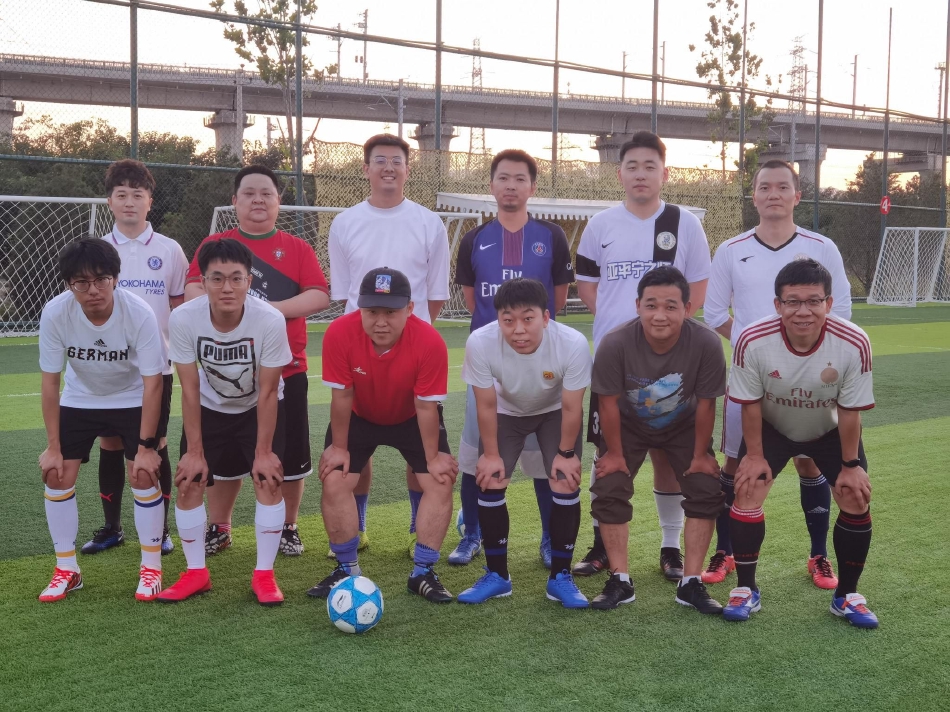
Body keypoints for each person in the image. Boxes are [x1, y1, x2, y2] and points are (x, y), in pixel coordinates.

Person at [702, 159, 853, 588]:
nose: (773, 194)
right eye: (764, 187)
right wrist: (757, 350)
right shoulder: (731, 249)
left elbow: (841, 310)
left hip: (809, 379)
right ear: (753, 196)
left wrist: (802, 352)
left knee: (809, 461)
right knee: (737, 462)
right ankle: (726, 551)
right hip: (751, 379)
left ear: (797, 196)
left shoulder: (822, 247)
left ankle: (819, 555)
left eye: (782, 187)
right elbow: (714, 313)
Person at [574, 131, 711, 581]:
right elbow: (588, 286)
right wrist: (621, 328)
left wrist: (667, 329)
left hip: (672, 363)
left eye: (649, 166)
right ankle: (600, 545)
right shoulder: (601, 225)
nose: (640, 174)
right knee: (607, 454)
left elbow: (697, 287)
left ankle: (670, 547)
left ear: (664, 174)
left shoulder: (684, 223)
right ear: (619, 174)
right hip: (616, 363)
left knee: (667, 457)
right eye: (632, 166)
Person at [722, 259, 878, 628]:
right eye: (792, 301)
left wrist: (851, 466)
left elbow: (850, 411)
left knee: (854, 495)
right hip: (773, 428)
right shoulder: (752, 339)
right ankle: (746, 590)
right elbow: (749, 403)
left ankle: (846, 596)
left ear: (829, 303)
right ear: (778, 305)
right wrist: (754, 456)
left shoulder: (854, 341)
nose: (803, 311)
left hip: (829, 430)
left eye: (813, 301)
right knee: (747, 487)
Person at [184, 165, 329, 558]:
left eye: (267, 193)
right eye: (249, 193)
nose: (258, 200)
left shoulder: (296, 248)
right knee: (223, 460)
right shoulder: (215, 244)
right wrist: (238, 311)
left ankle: (287, 526)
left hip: (286, 370)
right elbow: (193, 288)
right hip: (223, 372)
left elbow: (319, 295)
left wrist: (263, 312)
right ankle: (220, 526)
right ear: (235, 201)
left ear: (279, 201)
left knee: (288, 459)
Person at [450, 149, 575, 568]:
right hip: (490, 367)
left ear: (532, 187)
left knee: (544, 462)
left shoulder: (552, 236)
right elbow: (475, 301)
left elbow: (556, 301)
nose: (511, 186)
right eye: (503, 178)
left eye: (520, 178)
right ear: (491, 185)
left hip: (541, 368)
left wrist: (528, 332)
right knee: (476, 458)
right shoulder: (474, 239)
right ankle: (472, 534)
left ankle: (549, 538)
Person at [327, 134, 450, 555]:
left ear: (407, 170)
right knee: (354, 456)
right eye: (379, 160)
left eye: (396, 161)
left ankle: (420, 528)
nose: (388, 168)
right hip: (358, 352)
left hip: (413, 353)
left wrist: (414, 340)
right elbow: (345, 293)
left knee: (424, 455)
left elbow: (435, 294)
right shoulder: (345, 222)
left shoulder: (428, 223)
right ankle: (357, 528)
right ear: (366, 169)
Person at [306, 267, 459, 603]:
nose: (380, 322)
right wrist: (339, 448)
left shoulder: (429, 341)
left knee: (440, 479)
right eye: (372, 311)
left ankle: (423, 572)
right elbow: (342, 396)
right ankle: (347, 569)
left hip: (411, 416)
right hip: (359, 414)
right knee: (335, 476)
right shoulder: (339, 333)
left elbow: (425, 407)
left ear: (410, 309)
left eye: (390, 312)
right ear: (359, 308)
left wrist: (433, 458)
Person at [158, 239, 293, 606]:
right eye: (217, 279)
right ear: (203, 282)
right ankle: (196, 574)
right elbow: (189, 389)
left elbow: (268, 391)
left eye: (236, 278)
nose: (227, 288)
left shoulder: (269, 319)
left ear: (249, 281)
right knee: (189, 480)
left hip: (257, 407)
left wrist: (263, 452)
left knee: (268, 478)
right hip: (209, 407)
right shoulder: (184, 318)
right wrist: (194, 452)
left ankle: (264, 575)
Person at [587, 266, 727, 612]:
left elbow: (707, 404)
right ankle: (620, 579)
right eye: (651, 305)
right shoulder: (616, 342)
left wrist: (700, 455)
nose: (659, 315)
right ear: (637, 306)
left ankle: (690, 583)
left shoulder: (706, 342)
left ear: (687, 308)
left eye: (670, 306)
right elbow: (607, 403)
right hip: (628, 425)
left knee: (706, 488)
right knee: (609, 485)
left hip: (683, 425)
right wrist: (614, 453)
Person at [37, 238, 166, 602]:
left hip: (131, 396)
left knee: (143, 473)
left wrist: (146, 447)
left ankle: (152, 568)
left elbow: (154, 383)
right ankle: (67, 569)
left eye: (101, 280)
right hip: (81, 398)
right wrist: (52, 446)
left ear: (115, 279)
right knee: (56, 472)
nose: (93, 290)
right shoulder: (56, 313)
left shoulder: (138, 312)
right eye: (81, 282)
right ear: (69, 284)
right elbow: (50, 383)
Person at [456, 278, 590, 608]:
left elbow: (572, 406)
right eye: (508, 320)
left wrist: (566, 453)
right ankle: (497, 575)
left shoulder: (572, 343)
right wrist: (490, 454)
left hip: (554, 412)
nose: (518, 330)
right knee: (490, 478)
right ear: (498, 319)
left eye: (528, 319)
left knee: (565, 479)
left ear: (545, 317)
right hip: (507, 412)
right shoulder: (480, 342)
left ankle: (561, 577)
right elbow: (485, 404)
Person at [82, 159, 188, 558]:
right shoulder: (97, 250)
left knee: (154, 444)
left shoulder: (170, 250)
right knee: (110, 443)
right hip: (107, 366)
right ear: (110, 201)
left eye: (137, 195)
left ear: (149, 202)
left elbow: (179, 307)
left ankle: (161, 529)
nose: (130, 202)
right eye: (121, 194)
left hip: (155, 367)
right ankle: (112, 528)